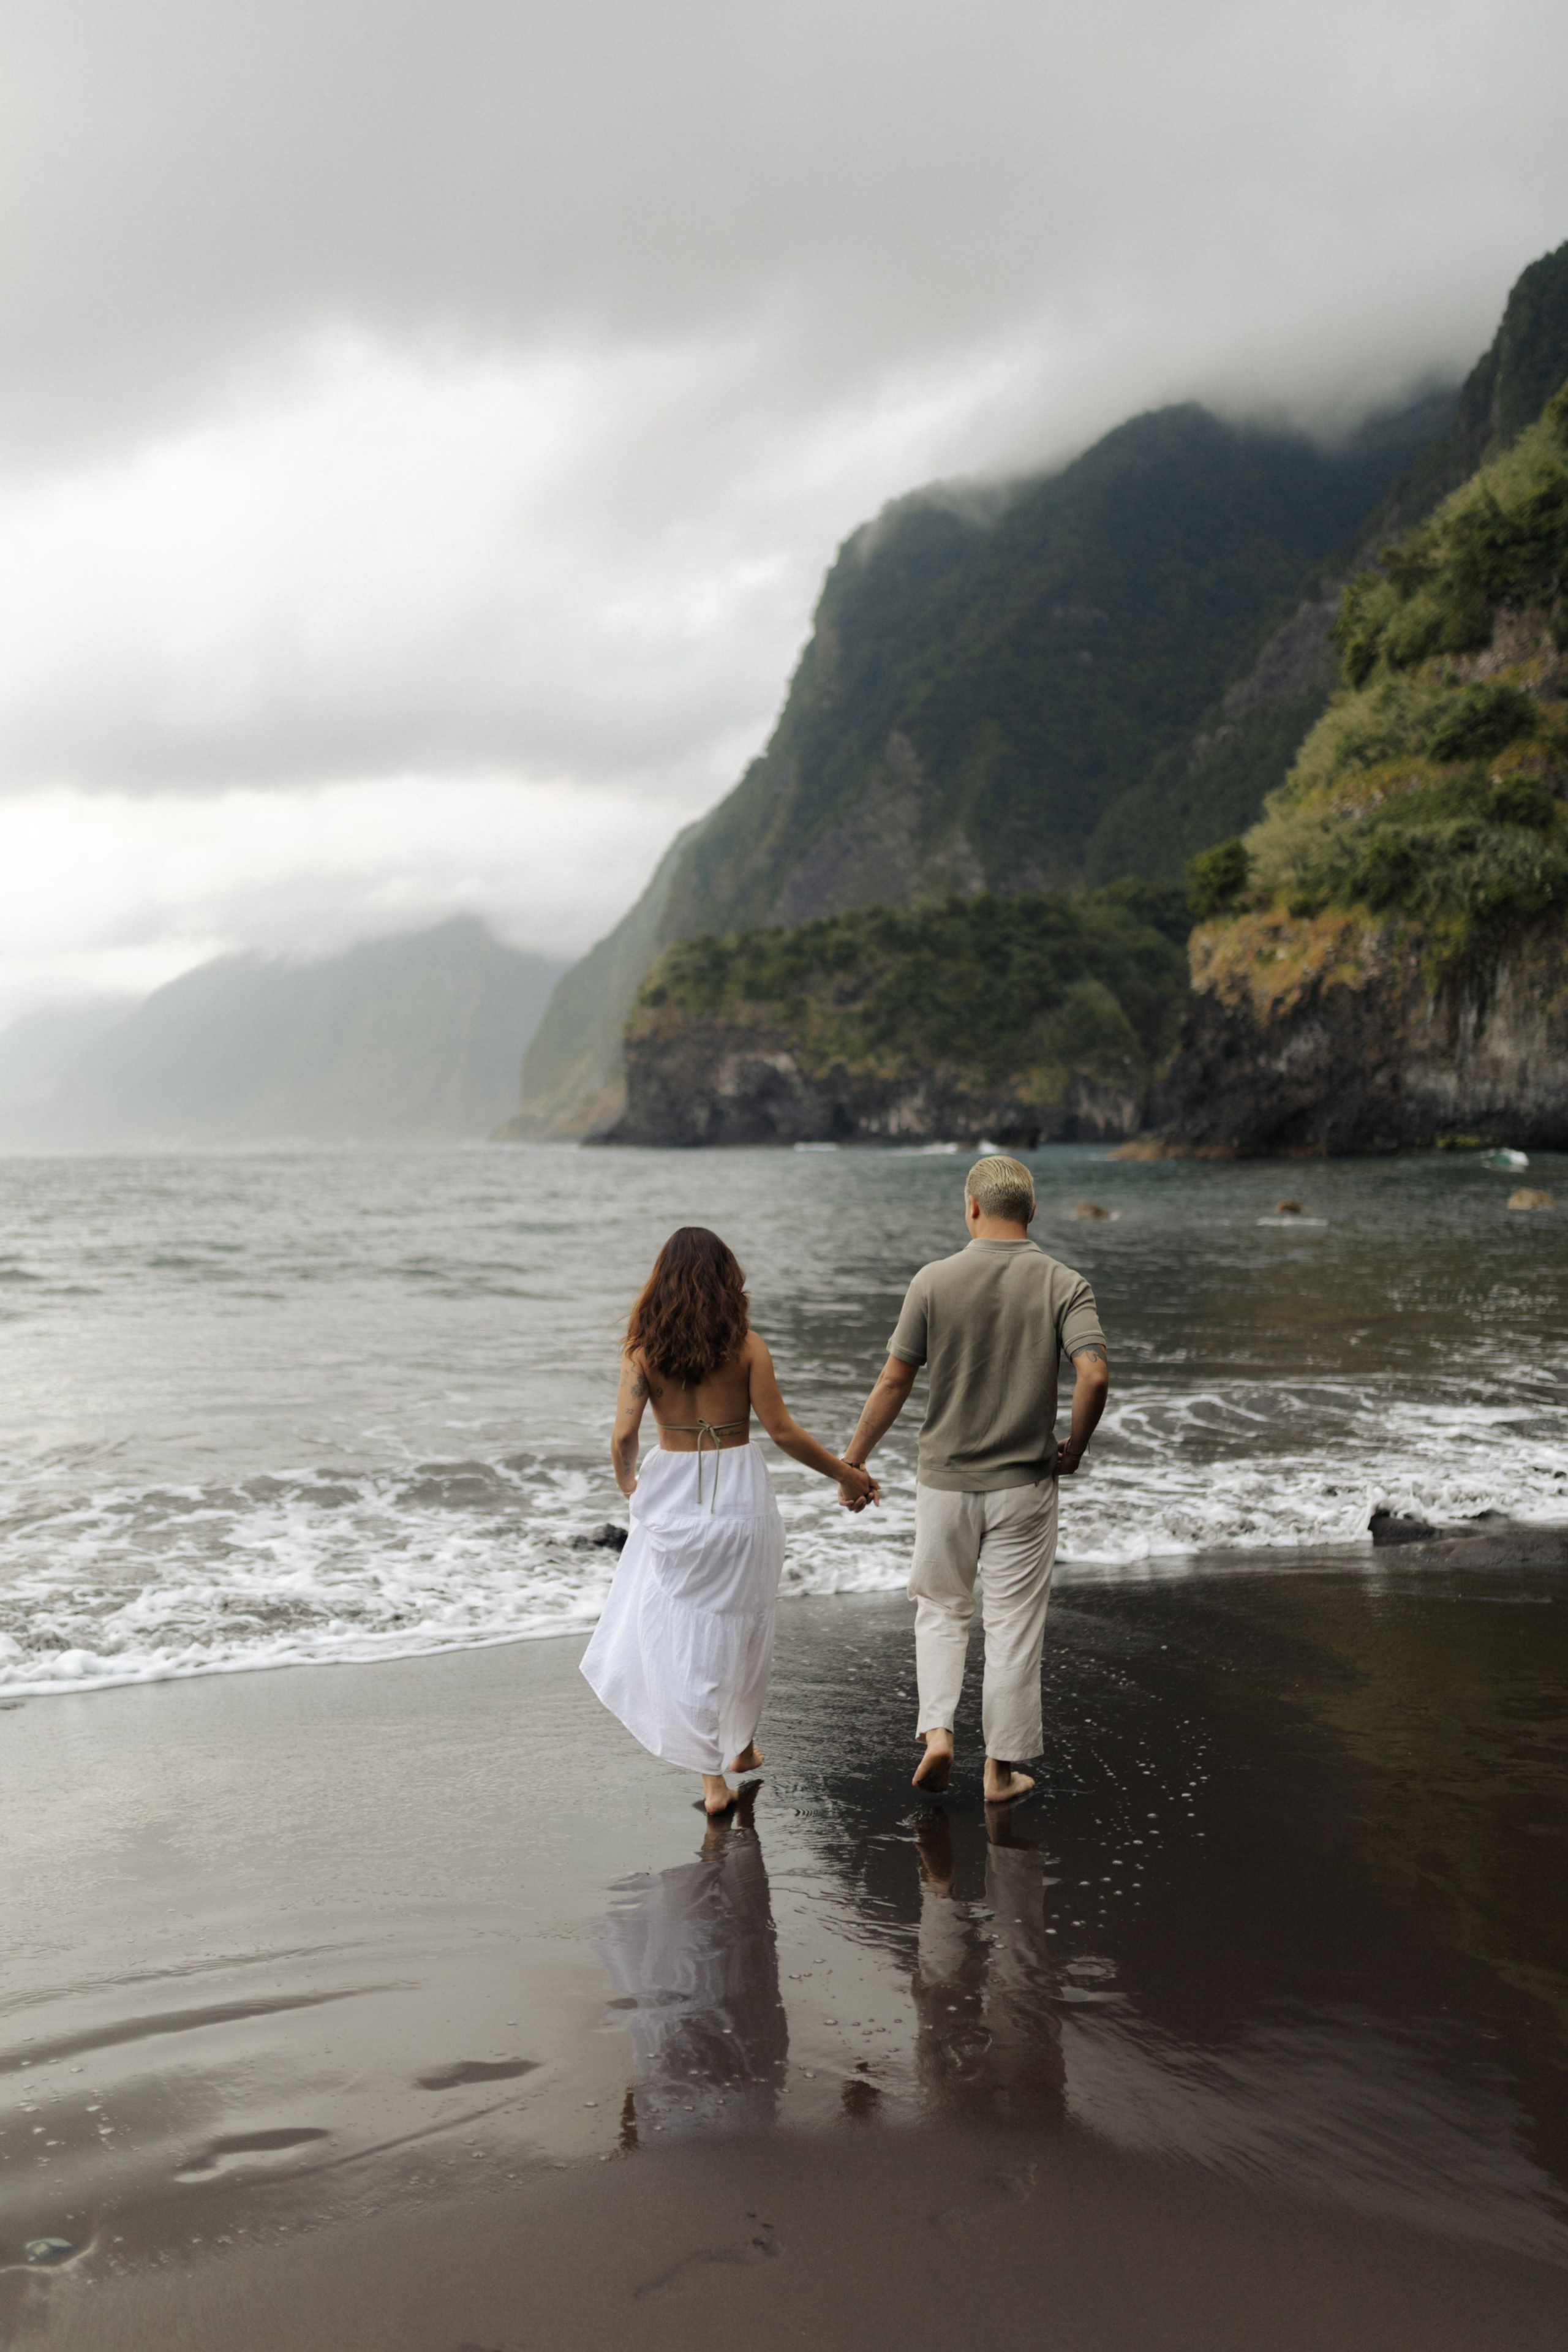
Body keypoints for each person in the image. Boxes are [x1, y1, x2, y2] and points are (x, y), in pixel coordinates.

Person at [839, 1155, 1109, 1803]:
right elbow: (1093, 1374)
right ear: (1033, 1212)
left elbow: (894, 1380)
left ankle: (937, 1732)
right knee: (1013, 1623)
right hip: (1024, 1484)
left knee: (939, 1609)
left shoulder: (932, 1281)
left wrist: (853, 1462)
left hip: (944, 1485)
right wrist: (1074, 1448)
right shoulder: (1064, 1283)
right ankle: (1001, 1770)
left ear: (972, 1208)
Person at [582, 1225, 878, 1816]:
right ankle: (738, 1745)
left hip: (673, 1496)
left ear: (660, 1283)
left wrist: (631, 1490)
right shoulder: (747, 1346)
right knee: (744, 1625)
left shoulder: (641, 1352)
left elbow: (622, 1437)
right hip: (740, 1496)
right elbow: (785, 1433)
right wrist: (846, 1475)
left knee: (690, 1635)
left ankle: (717, 1778)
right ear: (726, 1281)